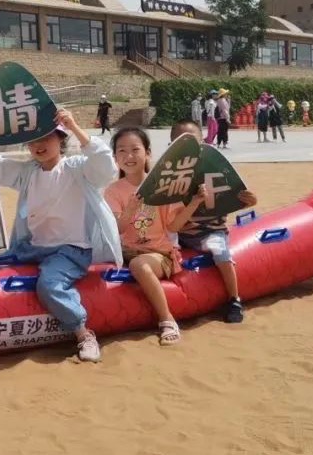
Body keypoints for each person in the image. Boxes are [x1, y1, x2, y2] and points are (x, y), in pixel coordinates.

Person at [0, 108, 121, 362]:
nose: (39, 145)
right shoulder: (29, 172)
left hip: (70, 250)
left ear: (61, 139)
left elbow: (105, 167)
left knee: (49, 285)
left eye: (46, 138)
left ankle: (83, 333)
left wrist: (75, 127)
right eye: (33, 140)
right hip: (33, 247)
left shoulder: (77, 168)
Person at [104, 127, 206, 345]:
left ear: (148, 153)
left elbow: (173, 226)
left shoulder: (163, 186)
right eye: (122, 151)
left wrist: (194, 203)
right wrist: (131, 209)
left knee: (140, 265)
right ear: (115, 157)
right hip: (127, 252)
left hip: (158, 253)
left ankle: (167, 319)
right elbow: (118, 229)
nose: (129, 156)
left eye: (135, 149)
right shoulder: (112, 191)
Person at [169, 119, 259, 323]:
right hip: (180, 233)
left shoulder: (215, 169)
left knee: (220, 252)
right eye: (180, 142)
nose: (187, 147)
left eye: (192, 141)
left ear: (202, 142)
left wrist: (249, 202)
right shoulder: (171, 175)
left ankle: (234, 299)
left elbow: (231, 199)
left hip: (211, 231)